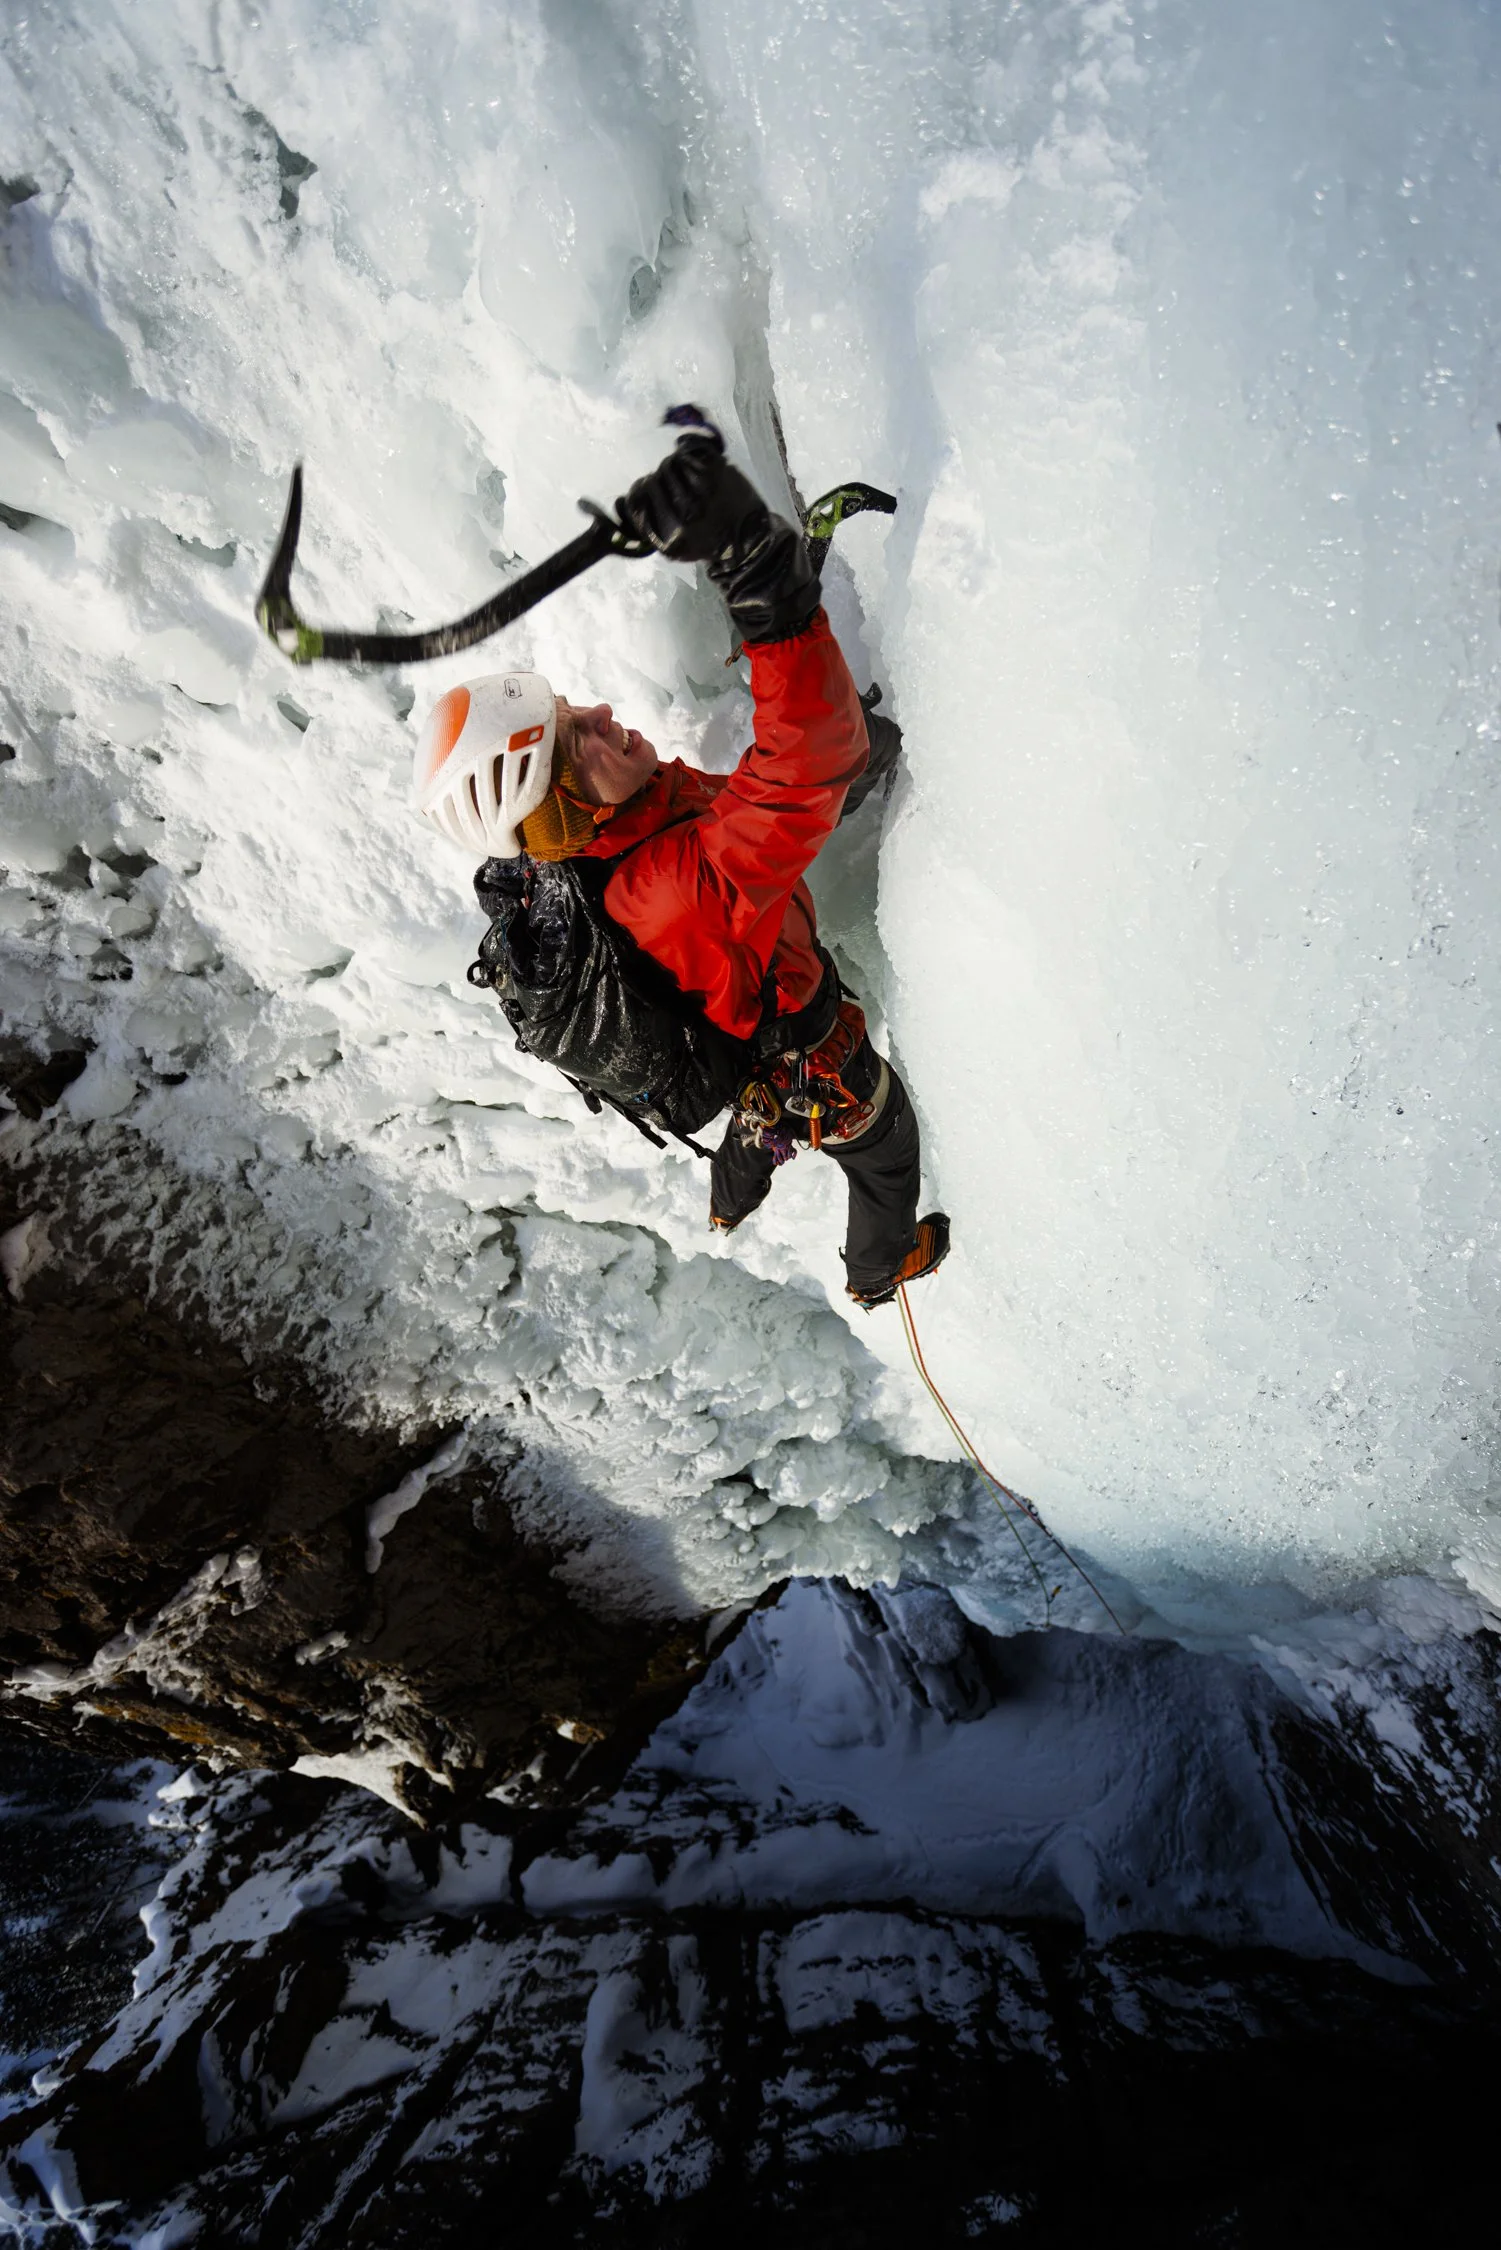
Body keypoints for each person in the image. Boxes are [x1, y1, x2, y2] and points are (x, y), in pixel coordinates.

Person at [413, 420, 949, 1310]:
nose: (601, 713)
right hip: (808, 1050)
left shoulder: (629, 815)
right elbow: (790, 776)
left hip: (747, 1005)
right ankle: (875, 1269)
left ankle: (737, 1186)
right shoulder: (667, 890)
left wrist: (832, 758)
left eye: (571, 707)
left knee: (769, 1111)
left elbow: (760, 803)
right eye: (573, 740)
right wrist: (765, 592)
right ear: (564, 809)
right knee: (884, 1148)